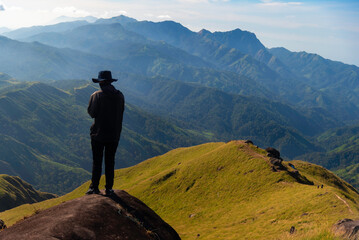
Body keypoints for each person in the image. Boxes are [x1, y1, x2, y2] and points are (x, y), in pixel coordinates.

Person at [86, 70, 125, 196]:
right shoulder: (120, 96)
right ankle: (109, 188)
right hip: (114, 135)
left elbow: (92, 113)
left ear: (101, 82)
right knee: (110, 161)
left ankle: (94, 187)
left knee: (97, 161)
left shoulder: (96, 96)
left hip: (98, 134)